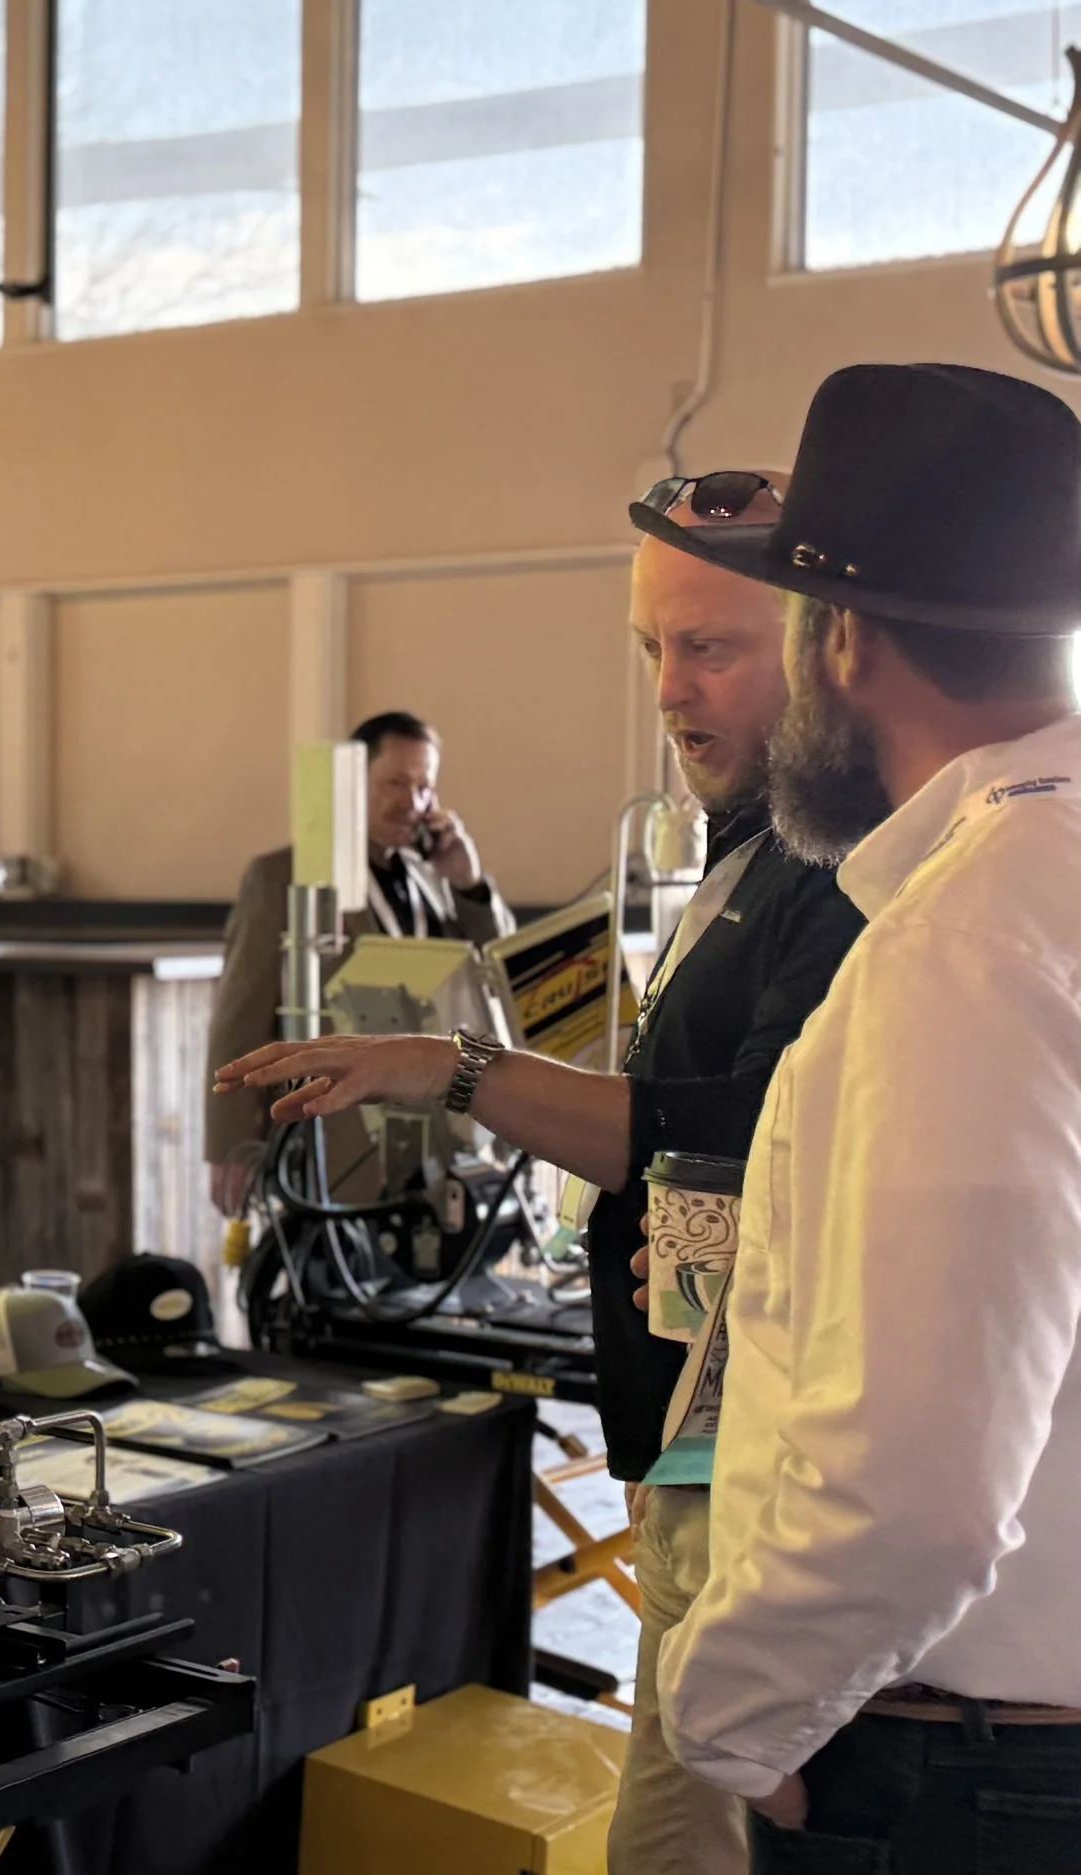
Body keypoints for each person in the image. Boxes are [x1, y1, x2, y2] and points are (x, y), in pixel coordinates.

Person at [212, 473, 865, 1874]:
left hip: (752, 1456)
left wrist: (448, 1070)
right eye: (652, 649)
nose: (671, 690)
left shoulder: (835, 865)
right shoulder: (749, 850)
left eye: (712, 647)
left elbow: (723, 1126)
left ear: (829, 645)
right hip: (694, 1438)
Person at [641, 364, 1081, 1872]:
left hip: (964, 1766)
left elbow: (917, 1488)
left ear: (843, 641)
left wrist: (730, 1719)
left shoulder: (972, 939)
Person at [203, 710, 514, 1214]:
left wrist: (469, 884)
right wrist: (229, 1145)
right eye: (395, 783)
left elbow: (499, 975)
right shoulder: (283, 876)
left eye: (423, 787)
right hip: (334, 1136)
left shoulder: (432, 877)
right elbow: (239, 1018)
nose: (410, 803)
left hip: (433, 1136)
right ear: (353, 782)